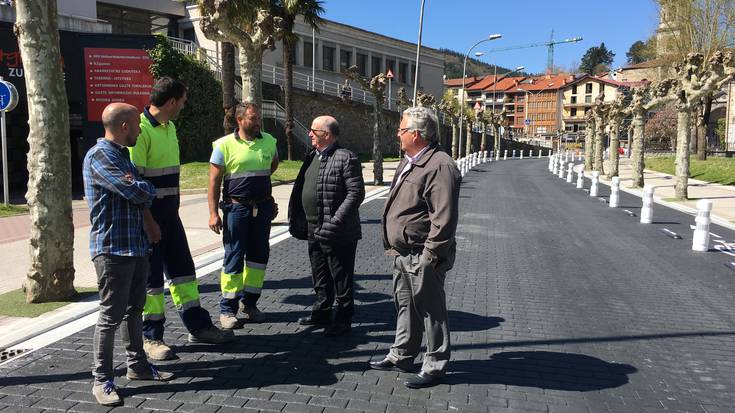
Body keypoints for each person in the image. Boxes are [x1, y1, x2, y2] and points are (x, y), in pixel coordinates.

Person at [130, 77, 233, 361]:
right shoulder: (140, 130)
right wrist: (148, 221)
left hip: (170, 217)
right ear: (172, 101)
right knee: (152, 283)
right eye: (183, 101)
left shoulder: (169, 126)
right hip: (149, 220)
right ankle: (152, 338)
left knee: (184, 273)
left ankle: (198, 327)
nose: (184, 106)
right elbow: (134, 183)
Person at [83, 103, 174, 407]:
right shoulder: (100, 156)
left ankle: (137, 367)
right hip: (112, 249)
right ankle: (102, 380)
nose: (140, 130)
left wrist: (147, 217)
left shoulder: (122, 156)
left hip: (135, 246)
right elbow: (136, 191)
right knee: (110, 316)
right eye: (137, 125)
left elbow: (136, 192)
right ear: (124, 126)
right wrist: (146, 188)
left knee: (134, 310)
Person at [369, 106, 461, 389]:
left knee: (431, 310)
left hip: (423, 254)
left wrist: (430, 257)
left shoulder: (440, 165)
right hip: (402, 252)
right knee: (405, 305)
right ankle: (402, 354)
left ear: (417, 134)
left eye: (402, 129)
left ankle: (435, 365)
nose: (398, 134)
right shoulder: (410, 160)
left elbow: (443, 219)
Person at [288, 116, 365, 337]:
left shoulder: (346, 158)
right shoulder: (313, 156)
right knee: (319, 273)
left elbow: (356, 193)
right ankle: (321, 310)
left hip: (338, 231)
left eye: (314, 130)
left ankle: (343, 318)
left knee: (341, 276)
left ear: (327, 135)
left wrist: (335, 221)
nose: (310, 133)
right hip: (314, 228)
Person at [208, 102, 279, 329]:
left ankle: (249, 304)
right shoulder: (223, 145)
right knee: (234, 256)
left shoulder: (269, 141)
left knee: (259, 257)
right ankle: (227, 310)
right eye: (252, 118)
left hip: (263, 208)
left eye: (259, 118)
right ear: (240, 120)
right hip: (236, 210)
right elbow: (213, 182)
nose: (257, 122)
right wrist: (212, 213)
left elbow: (272, 166)